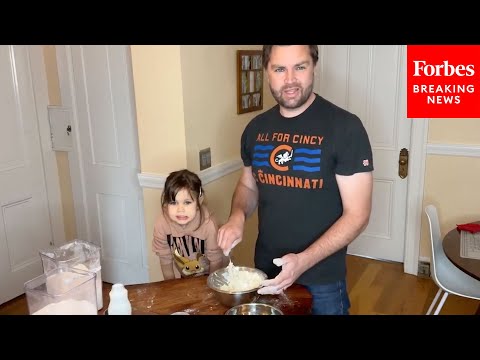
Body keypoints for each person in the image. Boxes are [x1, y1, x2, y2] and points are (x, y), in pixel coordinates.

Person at [217, 45, 374, 315]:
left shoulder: (346, 128)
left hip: (322, 280)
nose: (289, 80)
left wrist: (303, 261)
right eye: (280, 69)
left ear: (314, 66)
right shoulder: (255, 129)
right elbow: (247, 185)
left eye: (299, 67)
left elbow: (357, 214)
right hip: (265, 273)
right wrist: (237, 216)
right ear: (267, 72)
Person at [152, 169, 225, 280]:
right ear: (166, 202)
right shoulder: (162, 224)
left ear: (199, 201)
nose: (180, 210)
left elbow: (216, 261)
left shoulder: (209, 225)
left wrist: (210, 290)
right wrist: (170, 288)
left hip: (214, 275)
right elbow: (165, 259)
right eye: (173, 202)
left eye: (187, 202)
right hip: (186, 276)